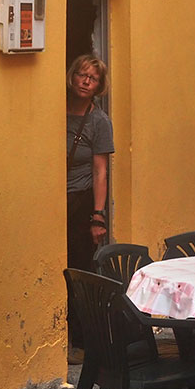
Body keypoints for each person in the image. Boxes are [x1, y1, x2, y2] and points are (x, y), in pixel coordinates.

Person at [66, 54, 114, 357]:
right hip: (50, 200)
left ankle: (82, 342)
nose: (85, 81)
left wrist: (98, 216)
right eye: (82, 75)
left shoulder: (99, 121)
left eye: (92, 78)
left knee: (79, 269)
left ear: (99, 86)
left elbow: (100, 171)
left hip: (80, 201)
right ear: (72, 77)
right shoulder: (53, 110)